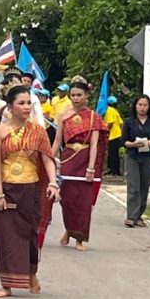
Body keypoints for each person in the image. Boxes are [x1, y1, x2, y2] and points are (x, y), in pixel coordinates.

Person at [0, 84, 60, 298]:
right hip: (7, 190)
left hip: (30, 190)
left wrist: (53, 183)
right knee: (6, 238)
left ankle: (31, 273)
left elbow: (47, 160)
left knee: (30, 235)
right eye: (21, 103)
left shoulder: (38, 131)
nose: (27, 107)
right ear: (10, 107)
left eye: (29, 102)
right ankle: (7, 284)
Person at [52, 75, 108, 251]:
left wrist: (91, 168)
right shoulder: (63, 115)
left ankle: (79, 239)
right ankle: (69, 229)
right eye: (73, 95)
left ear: (86, 96)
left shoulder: (94, 118)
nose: (76, 98)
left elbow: (94, 145)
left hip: (85, 161)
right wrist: (49, 160)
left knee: (83, 202)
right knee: (67, 200)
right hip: (68, 159)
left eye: (79, 95)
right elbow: (57, 141)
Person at [121, 95, 150, 228]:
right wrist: (133, 144)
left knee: (144, 186)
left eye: (145, 105)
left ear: (149, 107)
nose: (142, 108)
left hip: (147, 157)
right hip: (132, 155)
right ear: (135, 106)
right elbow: (124, 141)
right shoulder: (129, 122)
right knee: (133, 187)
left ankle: (139, 216)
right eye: (140, 105)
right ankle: (131, 217)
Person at [104, 95, 123, 177]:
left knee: (112, 154)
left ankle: (113, 171)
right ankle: (114, 170)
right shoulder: (115, 111)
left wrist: (106, 132)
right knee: (115, 154)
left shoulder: (109, 110)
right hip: (117, 134)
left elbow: (110, 123)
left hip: (112, 135)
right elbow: (121, 123)